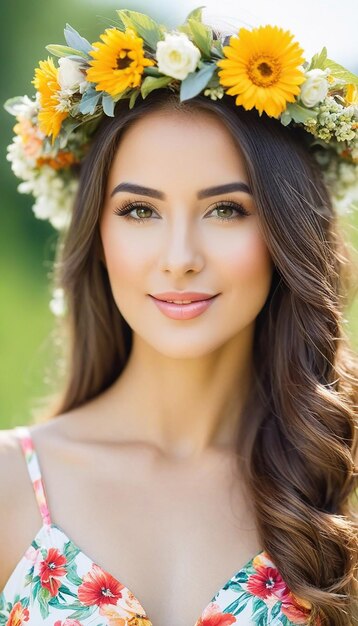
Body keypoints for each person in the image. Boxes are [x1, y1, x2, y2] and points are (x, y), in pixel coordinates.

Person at [1, 7, 357, 626]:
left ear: (286, 234)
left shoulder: (337, 490)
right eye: (140, 211)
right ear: (97, 234)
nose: (179, 259)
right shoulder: (9, 489)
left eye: (226, 211)